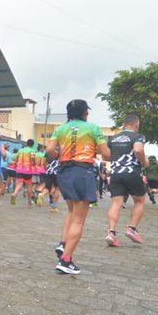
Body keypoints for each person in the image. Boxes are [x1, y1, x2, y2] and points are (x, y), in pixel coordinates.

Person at [47, 99, 109, 274]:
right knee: (78, 220)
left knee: (72, 211)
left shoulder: (60, 129)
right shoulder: (93, 128)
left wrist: (59, 155)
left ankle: (63, 243)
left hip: (64, 172)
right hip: (82, 172)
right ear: (84, 113)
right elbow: (106, 154)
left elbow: (50, 151)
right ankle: (65, 261)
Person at [105, 114, 148, 246]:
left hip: (115, 174)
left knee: (116, 203)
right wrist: (144, 162)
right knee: (139, 201)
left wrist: (117, 159)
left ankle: (111, 233)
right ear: (136, 125)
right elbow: (138, 150)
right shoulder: (138, 136)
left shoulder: (113, 138)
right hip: (132, 173)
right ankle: (132, 229)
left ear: (124, 124)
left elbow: (106, 156)